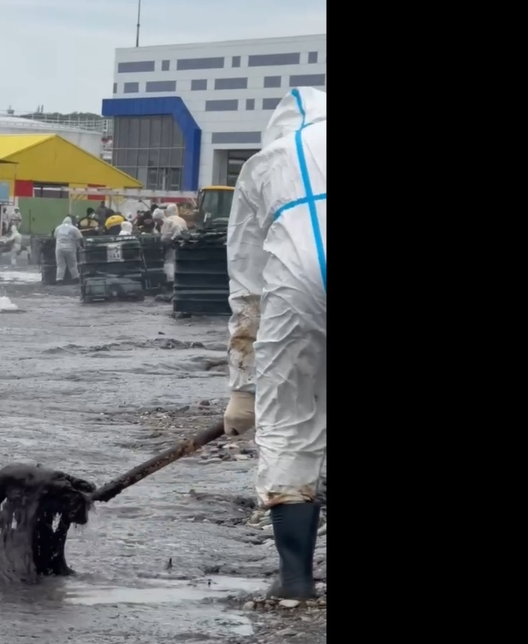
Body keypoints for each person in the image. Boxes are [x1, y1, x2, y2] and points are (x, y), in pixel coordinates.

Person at [223, 87, 326, 600]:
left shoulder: (265, 164)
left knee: (288, 425)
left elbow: (247, 280)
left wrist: (243, 390)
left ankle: (295, 583)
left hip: (295, 288)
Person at [54, 216, 84, 283]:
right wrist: (82, 246)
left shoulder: (58, 228)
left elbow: (55, 236)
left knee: (60, 265)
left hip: (59, 249)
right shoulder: (74, 229)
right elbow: (80, 238)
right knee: (72, 264)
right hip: (70, 249)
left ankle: (59, 279)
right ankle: (75, 278)